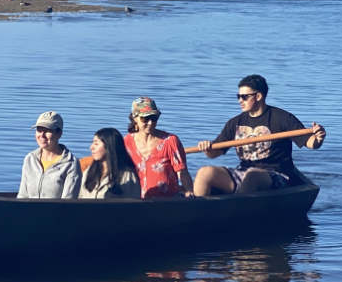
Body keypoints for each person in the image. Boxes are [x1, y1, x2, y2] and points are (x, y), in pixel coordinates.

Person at [193, 74, 326, 196]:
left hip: (277, 176)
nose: (240, 101)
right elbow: (214, 153)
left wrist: (318, 138)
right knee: (205, 172)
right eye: (238, 96)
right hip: (243, 172)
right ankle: (198, 209)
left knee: (253, 176)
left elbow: (310, 142)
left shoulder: (282, 118)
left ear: (258, 96)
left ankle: (237, 209)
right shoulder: (235, 123)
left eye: (244, 97)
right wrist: (208, 148)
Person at [123, 97, 194, 199]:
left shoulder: (170, 141)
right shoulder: (126, 142)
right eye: (145, 119)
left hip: (166, 202)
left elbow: (182, 172)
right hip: (136, 202)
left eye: (154, 118)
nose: (151, 123)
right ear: (135, 118)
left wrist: (189, 191)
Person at [18, 111, 81, 198]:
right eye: (39, 130)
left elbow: (68, 203)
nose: (42, 135)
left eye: (47, 130)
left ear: (59, 134)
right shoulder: (30, 159)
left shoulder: (71, 164)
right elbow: (22, 196)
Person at [79, 127, 140, 199]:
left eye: (96, 144)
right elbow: (80, 196)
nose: (91, 147)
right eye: (92, 143)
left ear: (109, 146)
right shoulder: (89, 171)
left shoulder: (127, 176)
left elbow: (133, 204)